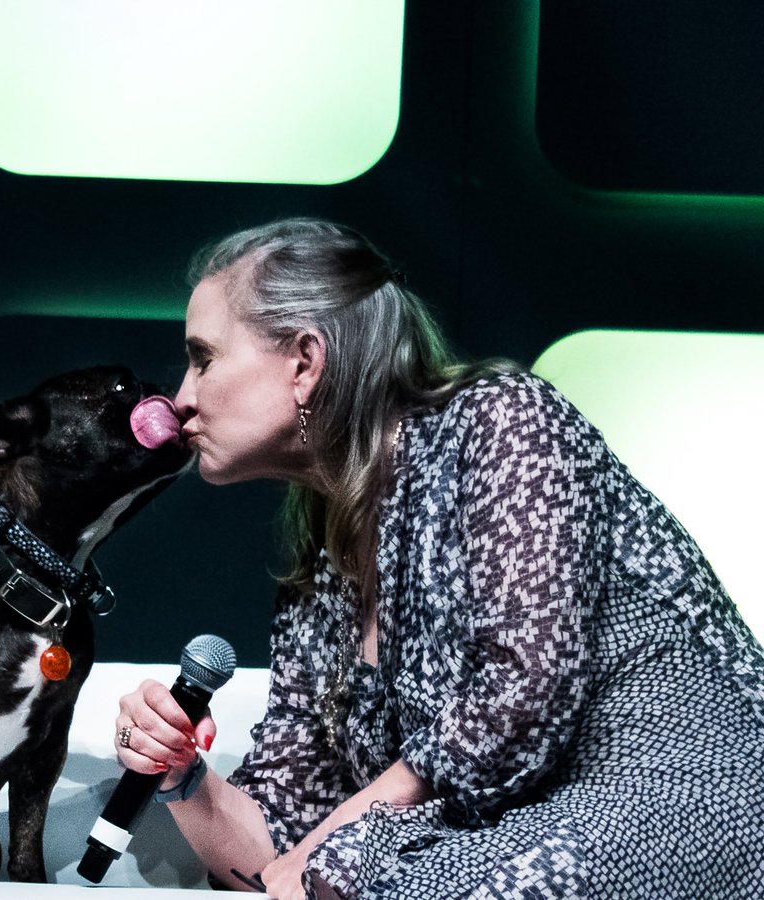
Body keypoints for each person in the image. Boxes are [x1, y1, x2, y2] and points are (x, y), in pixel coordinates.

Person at [112, 218, 764, 898]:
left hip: (688, 790)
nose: (181, 399)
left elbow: (521, 698)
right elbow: (282, 849)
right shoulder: (322, 567)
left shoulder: (504, 422)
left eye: (204, 358)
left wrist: (332, 854)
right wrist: (180, 773)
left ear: (305, 362)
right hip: (521, 830)